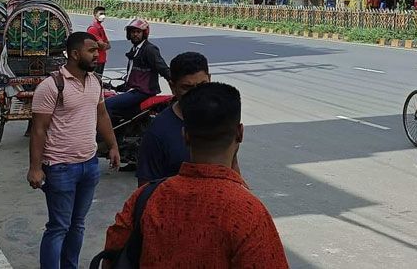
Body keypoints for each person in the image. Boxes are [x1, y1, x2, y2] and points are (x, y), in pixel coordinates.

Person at [101, 83, 288, 268]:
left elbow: (111, 257)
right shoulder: (249, 214)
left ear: (185, 135)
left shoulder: (145, 199)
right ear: (239, 133)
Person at [29, 31, 120, 269]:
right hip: (59, 168)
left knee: (77, 224)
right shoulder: (51, 86)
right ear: (74, 54)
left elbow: (102, 115)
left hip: (89, 165)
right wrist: (35, 168)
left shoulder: (95, 82)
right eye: (91, 51)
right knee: (59, 227)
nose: (96, 56)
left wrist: (113, 146)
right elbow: (39, 129)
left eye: (97, 51)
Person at [136, 52, 213, 184]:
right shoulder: (158, 132)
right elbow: (146, 188)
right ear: (173, 87)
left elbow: (232, 165)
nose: (196, 94)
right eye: (187, 88)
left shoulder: (222, 118)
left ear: (210, 80)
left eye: (202, 86)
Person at [105, 18, 170, 121]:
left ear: (144, 33)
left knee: (106, 105)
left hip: (143, 92)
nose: (135, 34)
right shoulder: (135, 49)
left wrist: (174, 83)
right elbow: (133, 74)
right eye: (132, 32)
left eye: (138, 32)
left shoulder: (149, 49)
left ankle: (109, 135)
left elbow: (163, 69)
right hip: (134, 90)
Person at [86, 6, 112, 76]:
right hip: (96, 60)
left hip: (101, 59)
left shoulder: (100, 27)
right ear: (95, 15)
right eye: (100, 14)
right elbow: (103, 46)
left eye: (104, 14)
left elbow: (108, 45)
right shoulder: (93, 28)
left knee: (99, 80)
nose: (103, 16)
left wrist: (104, 45)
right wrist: (104, 45)